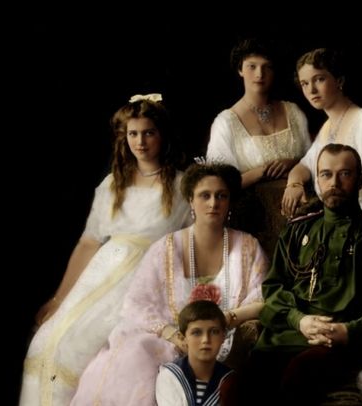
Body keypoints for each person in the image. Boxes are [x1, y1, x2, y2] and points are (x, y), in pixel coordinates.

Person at [19, 94, 191, 406]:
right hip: (102, 276)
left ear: (162, 135)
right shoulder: (113, 185)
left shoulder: (181, 186)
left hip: (146, 279)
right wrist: (59, 299)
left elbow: (195, 238)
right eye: (133, 134)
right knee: (48, 342)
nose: (140, 142)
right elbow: (88, 243)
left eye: (149, 133)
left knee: (93, 349)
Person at [223, 144, 362, 406]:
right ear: (317, 180)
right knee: (234, 390)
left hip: (341, 342)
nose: (334, 183)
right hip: (287, 335)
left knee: (298, 377)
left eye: (344, 174)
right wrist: (298, 320)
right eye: (326, 174)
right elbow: (273, 288)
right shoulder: (297, 230)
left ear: (360, 179)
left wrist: (350, 330)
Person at [71, 162, 268, 406]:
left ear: (229, 201)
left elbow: (261, 299)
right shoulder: (166, 247)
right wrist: (173, 335)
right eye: (204, 196)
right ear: (191, 200)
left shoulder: (247, 246)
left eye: (221, 196)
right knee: (135, 355)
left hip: (223, 334)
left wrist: (225, 319)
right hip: (168, 336)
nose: (213, 203)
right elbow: (136, 302)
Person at [206, 37, 311, 256]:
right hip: (253, 220)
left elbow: (314, 161)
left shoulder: (293, 112)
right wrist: (261, 172)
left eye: (267, 67)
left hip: (301, 215)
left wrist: (293, 163)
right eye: (252, 66)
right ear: (240, 70)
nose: (259, 74)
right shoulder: (226, 122)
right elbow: (217, 185)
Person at [282, 48, 362, 223]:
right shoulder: (327, 127)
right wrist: (294, 184)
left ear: (339, 80)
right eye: (304, 83)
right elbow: (303, 167)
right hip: (334, 220)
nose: (311, 90)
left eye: (319, 79)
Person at [156, 300, 234, 406]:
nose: (206, 340)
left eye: (214, 332)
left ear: (223, 337)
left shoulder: (230, 381)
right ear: (182, 338)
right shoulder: (170, 376)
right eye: (196, 333)